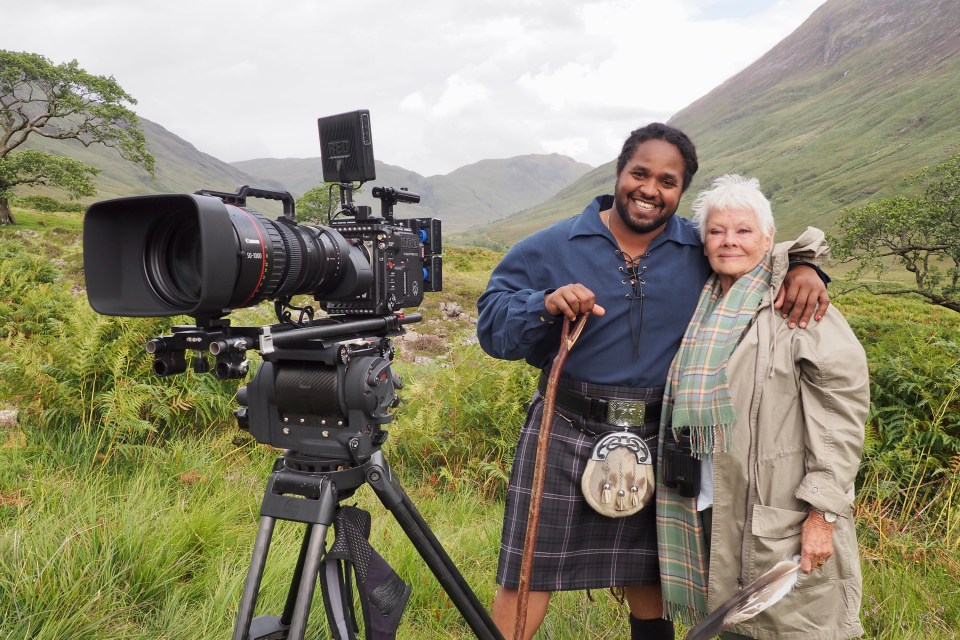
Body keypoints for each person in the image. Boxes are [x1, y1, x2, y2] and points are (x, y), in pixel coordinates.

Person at [476, 123, 830, 640]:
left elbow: (758, 259)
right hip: (565, 427)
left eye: (667, 181)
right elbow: (492, 327)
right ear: (619, 172)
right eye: (639, 173)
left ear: (680, 193)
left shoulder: (698, 247)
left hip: (661, 433)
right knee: (528, 574)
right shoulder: (550, 245)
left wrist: (805, 268)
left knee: (653, 577)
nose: (649, 189)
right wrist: (543, 305)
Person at [656, 174, 867, 639]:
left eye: (744, 230)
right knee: (732, 627)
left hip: (781, 511)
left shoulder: (797, 306)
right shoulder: (704, 302)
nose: (729, 240)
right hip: (709, 505)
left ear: (769, 238)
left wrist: (823, 513)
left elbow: (841, 418)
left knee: (790, 629)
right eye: (716, 231)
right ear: (703, 242)